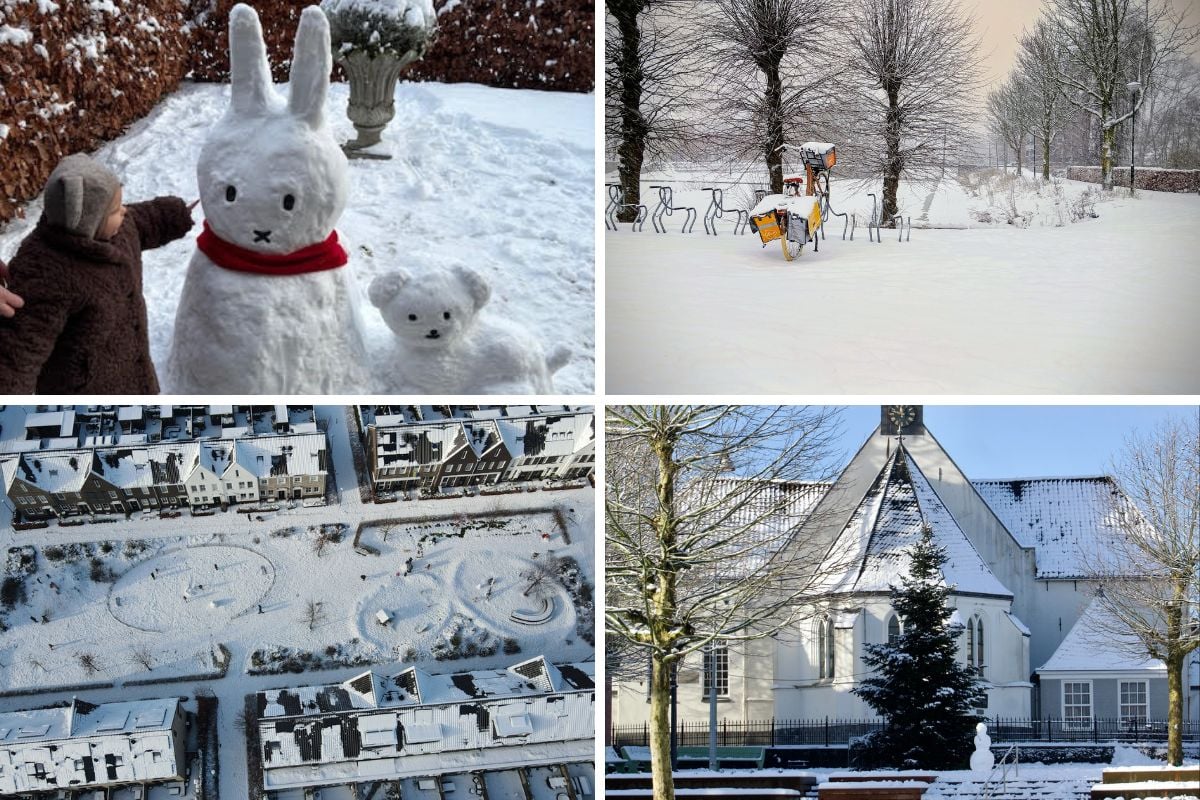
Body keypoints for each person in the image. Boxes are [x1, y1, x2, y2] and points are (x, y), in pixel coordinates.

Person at [0, 153, 195, 392]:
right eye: (115, 210)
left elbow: (144, 219)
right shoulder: (45, 272)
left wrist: (173, 215)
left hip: (135, 374)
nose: (124, 212)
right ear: (89, 220)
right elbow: (20, 349)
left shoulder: (119, 230)